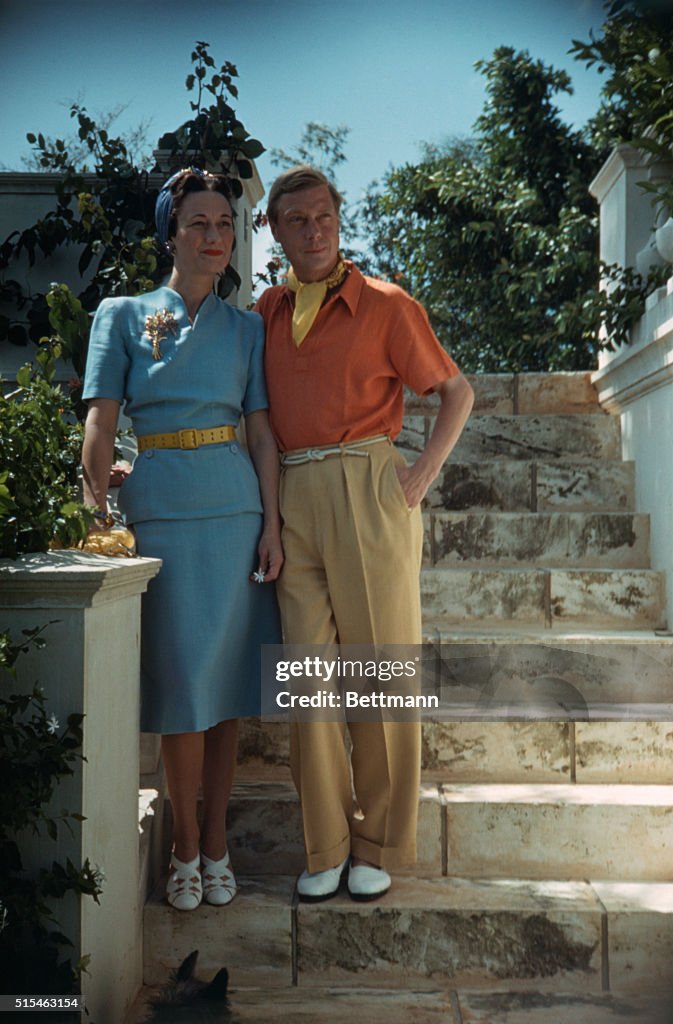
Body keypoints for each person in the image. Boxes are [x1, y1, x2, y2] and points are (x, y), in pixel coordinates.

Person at [255, 165, 474, 902]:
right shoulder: (264, 311)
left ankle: (377, 840)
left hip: (367, 482)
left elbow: (454, 391)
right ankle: (325, 844)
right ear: (276, 230)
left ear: (337, 221)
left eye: (323, 216)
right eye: (296, 221)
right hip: (292, 494)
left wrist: (417, 476)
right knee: (305, 680)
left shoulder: (385, 305)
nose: (312, 230)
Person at [81, 168, 282, 911]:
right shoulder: (122, 314)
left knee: (226, 690)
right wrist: (94, 503)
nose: (213, 236)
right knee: (181, 690)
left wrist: (272, 523)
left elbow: (261, 430)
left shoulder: (248, 327)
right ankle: (182, 844)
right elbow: (101, 420)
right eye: (197, 223)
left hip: (233, 517)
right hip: (158, 514)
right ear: (169, 233)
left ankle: (218, 840)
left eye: (224, 224)